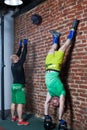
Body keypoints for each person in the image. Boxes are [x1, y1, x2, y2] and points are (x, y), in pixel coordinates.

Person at [44, 19, 79, 130]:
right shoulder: (61, 93)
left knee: (52, 48)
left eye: (53, 103)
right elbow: (62, 105)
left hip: (48, 65)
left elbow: (46, 103)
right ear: (59, 101)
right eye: (56, 103)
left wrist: (46, 116)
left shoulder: (50, 93)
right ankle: (73, 27)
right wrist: (60, 119)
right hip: (55, 67)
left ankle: (56, 36)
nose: (54, 103)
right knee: (66, 45)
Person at [10, 39, 29, 125]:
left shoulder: (13, 64)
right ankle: (20, 120)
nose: (18, 57)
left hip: (13, 86)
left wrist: (20, 46)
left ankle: (13, 117)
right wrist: (25, 45)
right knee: (20, 103)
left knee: (13, 102)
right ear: (16, 59)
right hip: (19, 86)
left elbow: (17, 54)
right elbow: (24, 54)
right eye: (17, 57)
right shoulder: (19, 64)